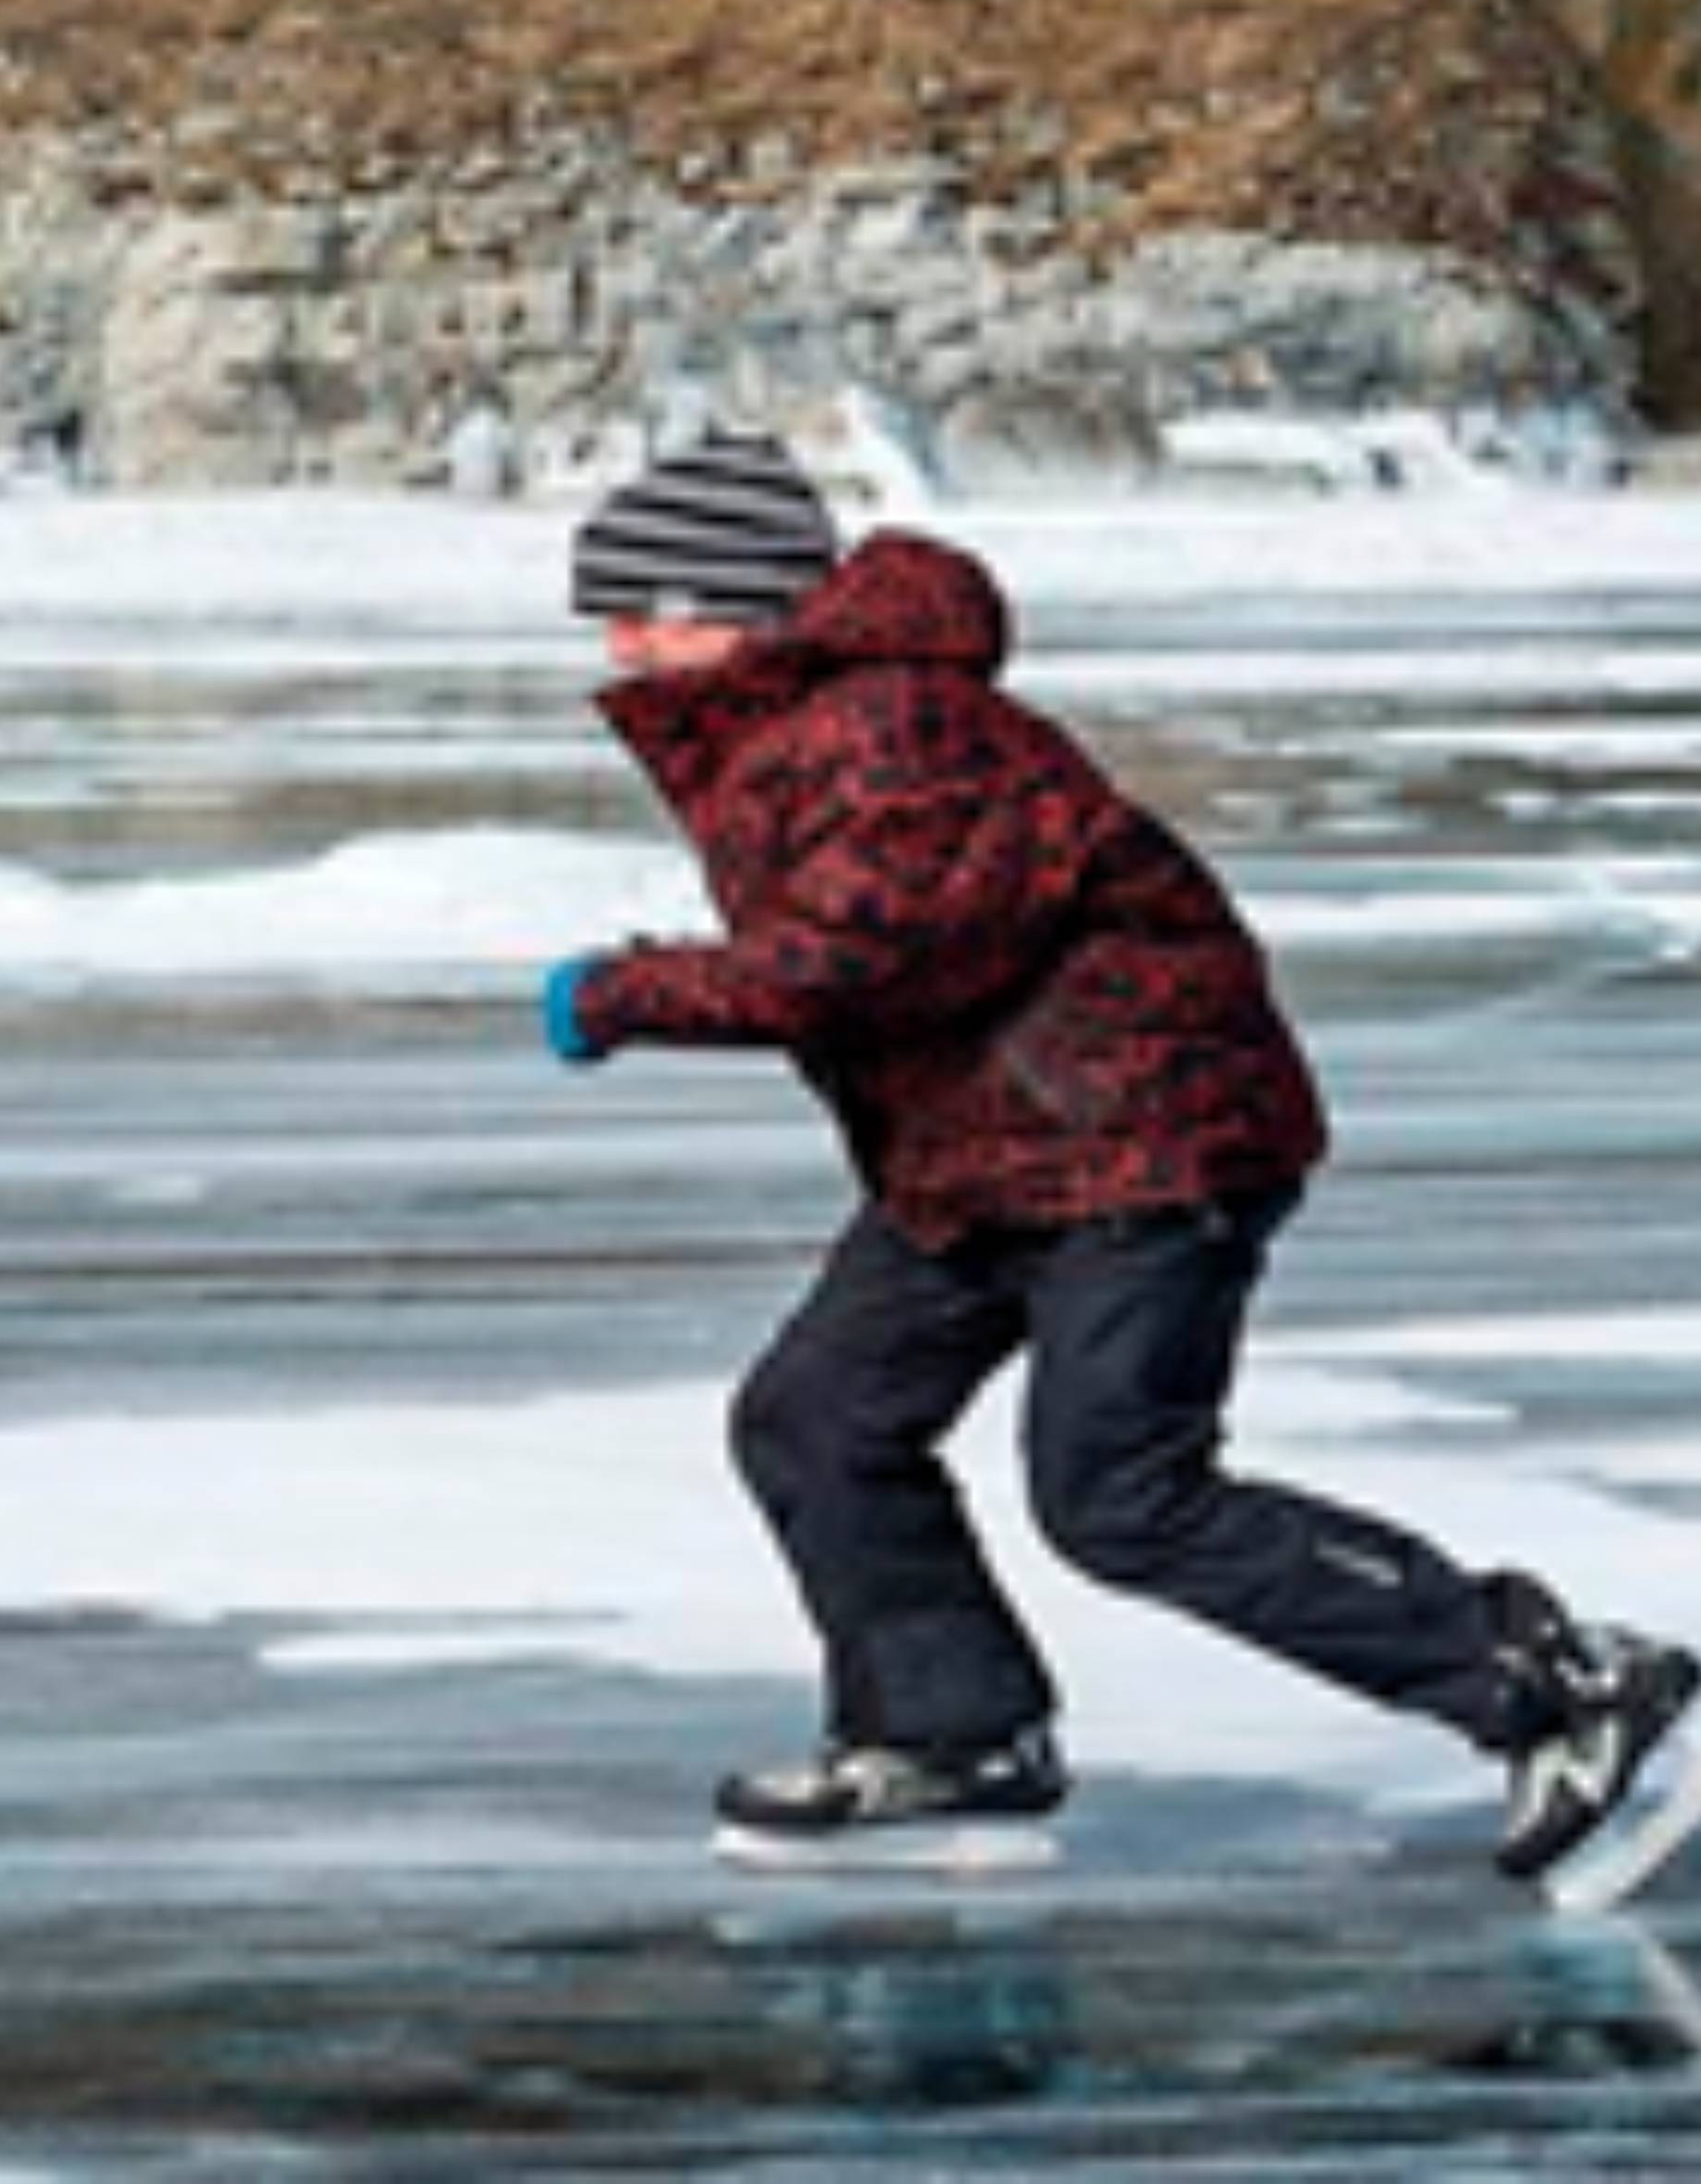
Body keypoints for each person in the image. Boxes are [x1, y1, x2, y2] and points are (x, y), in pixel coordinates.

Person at [542, 428, 1696, 1882]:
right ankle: (946, 1734)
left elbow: (853, 959)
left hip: (1138, 1145)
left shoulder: (894, 725)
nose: (618, 638)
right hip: (987, 1158)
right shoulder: (798, 728)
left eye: (648, 602)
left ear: (746, 605)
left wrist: (622, 990)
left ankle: (1553, 1679)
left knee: (1120, 1493)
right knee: (815, 1415)